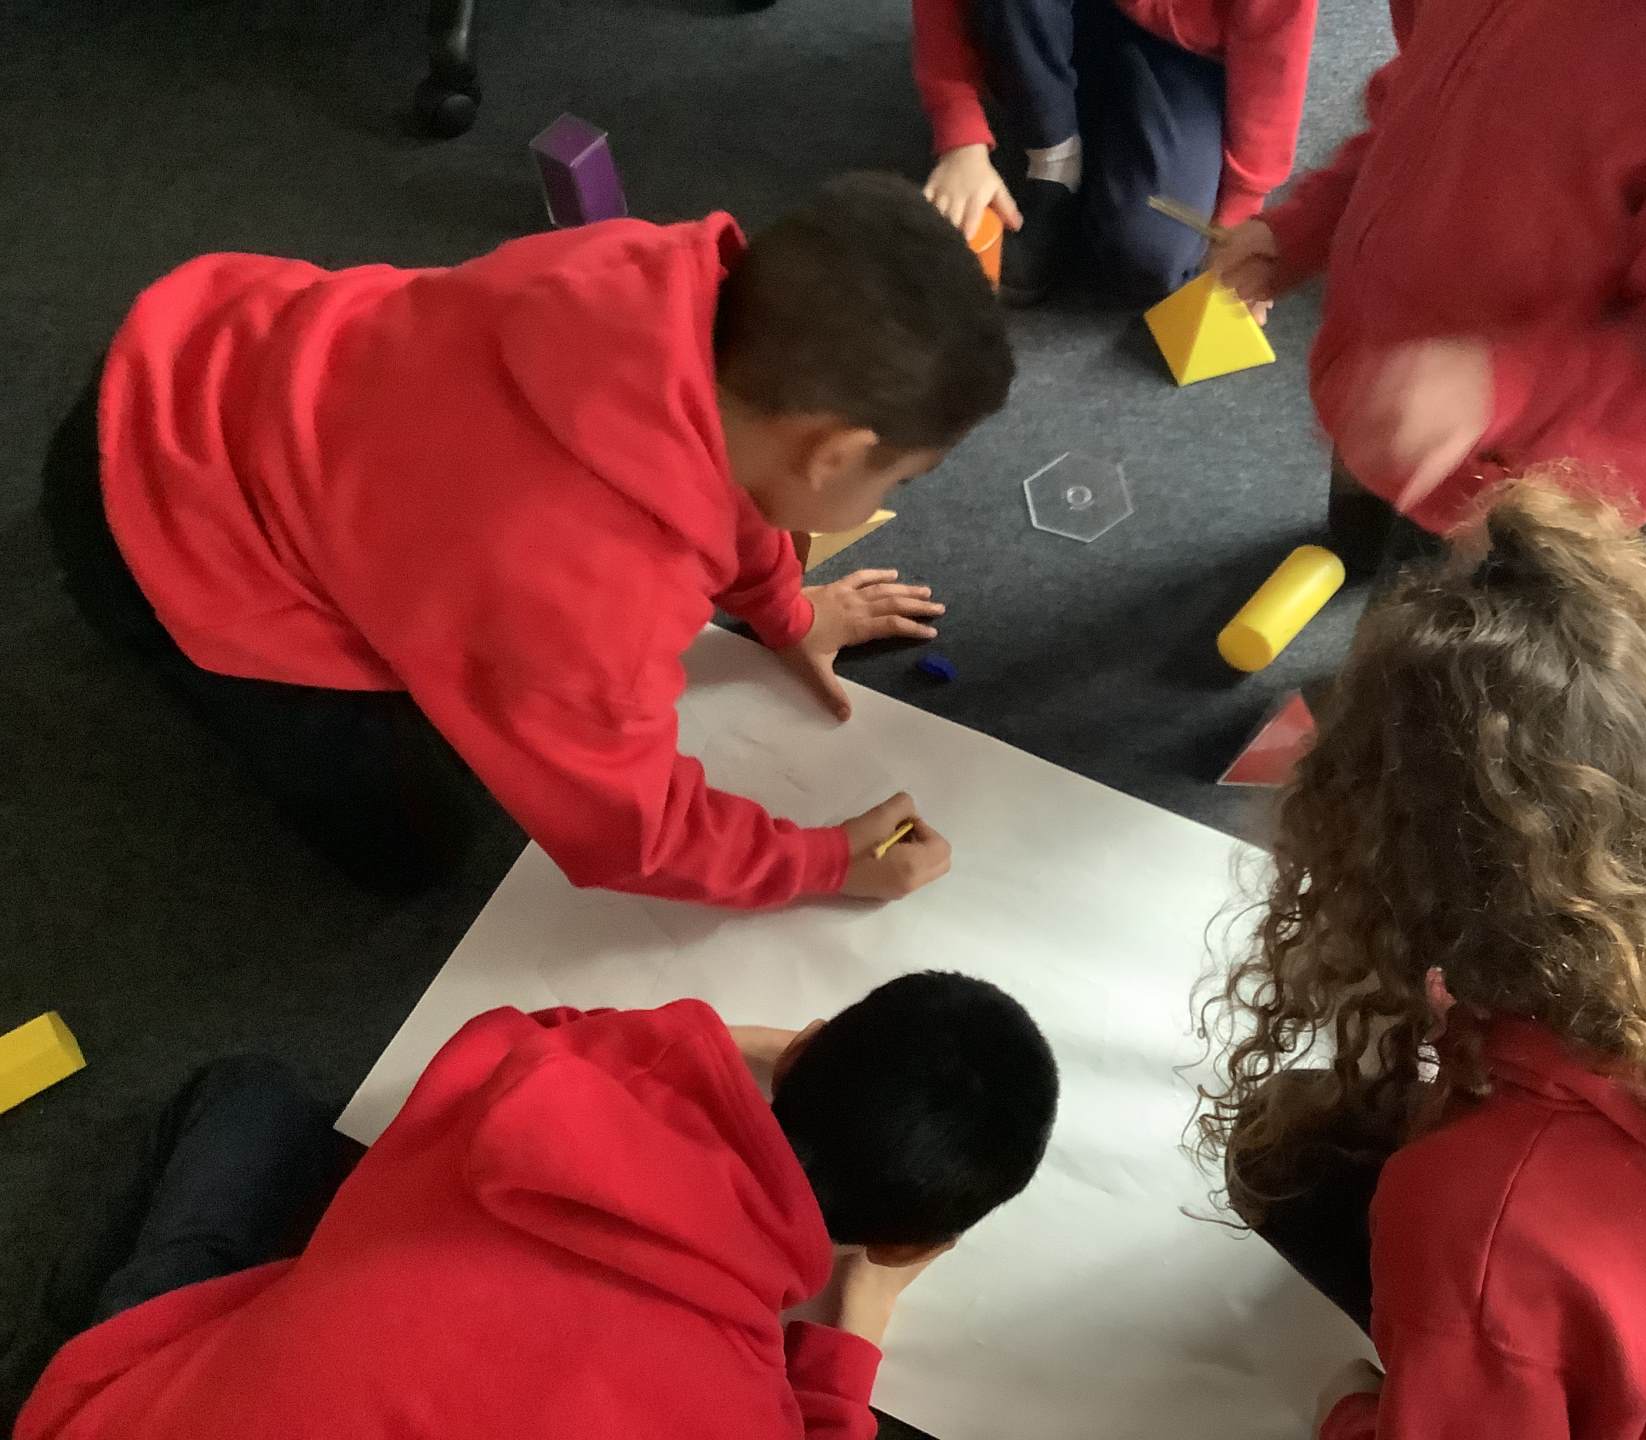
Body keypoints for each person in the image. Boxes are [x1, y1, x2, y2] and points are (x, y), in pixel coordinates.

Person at [41, 173, 1012, 901]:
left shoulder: (664, 280)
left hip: (201, 348)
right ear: (836, 453)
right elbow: (631, 835)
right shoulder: (586, 600)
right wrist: (820, 862)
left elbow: (743, 489)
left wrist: (783, 612)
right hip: (160, 536)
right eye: (899, 476)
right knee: (413, 855)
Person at [1195, 481, 1646, 1439]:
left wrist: (1349, 1413)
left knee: (1278, 1157)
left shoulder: (1475, 1209)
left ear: (1381, 854)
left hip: (1567, 1327)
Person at [16, 971, 1060, 1440]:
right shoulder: (742, 1409)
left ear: (801, 1046)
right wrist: (852, 1335)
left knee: (253, 1099)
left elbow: (544, 1030)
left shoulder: (527, 1093)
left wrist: (712, 1047)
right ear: (907, 1243)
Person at [1210, 0, 1646, 690]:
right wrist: (1309, 223)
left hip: (1531, 469)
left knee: (1477, 674)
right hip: (1397, 382)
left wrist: (1498, 389)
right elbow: (1423, 101)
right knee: (1371, 527)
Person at [915, 0, 1317, 305]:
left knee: (1151, 256)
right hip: (1039, 19)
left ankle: (1089, 126)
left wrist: (1241, 208)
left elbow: (1275, 43)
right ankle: (1055, 162)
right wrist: (961, 138)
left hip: (1180, 45)